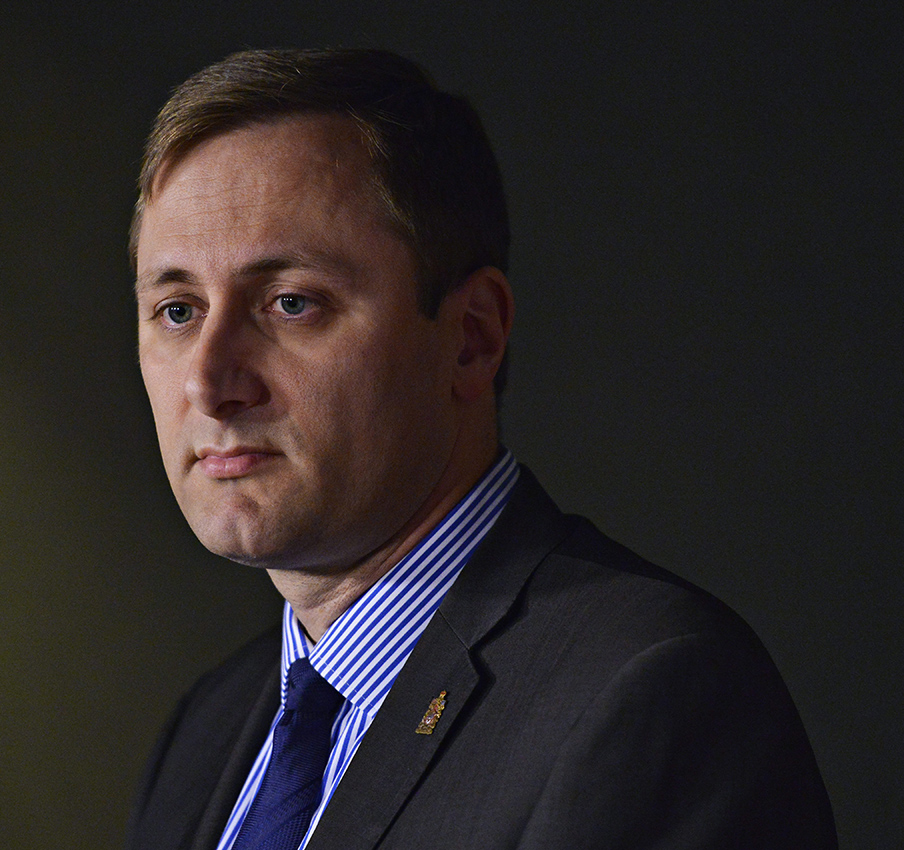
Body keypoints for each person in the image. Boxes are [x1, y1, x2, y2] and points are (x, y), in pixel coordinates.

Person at [126, 48, 836, 850]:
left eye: (291, 303)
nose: (211, 381)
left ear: (471, 338)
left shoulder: (660, 694)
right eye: (178, 310)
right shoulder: (207, 731)